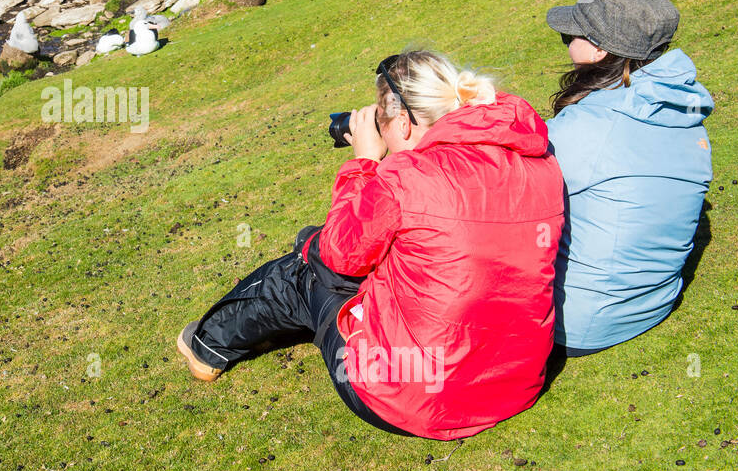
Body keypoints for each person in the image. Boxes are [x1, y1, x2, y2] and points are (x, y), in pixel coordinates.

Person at [176, 50, 565, 440]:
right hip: (515, 383)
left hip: (412, 398)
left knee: (306, 268)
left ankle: (207, 346)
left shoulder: (407, 176)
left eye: (382, 122)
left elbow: (339, 254)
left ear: (404, 122)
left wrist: (363, 161)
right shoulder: (536, 160)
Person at [544, 0, 713, 355]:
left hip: (580, 324)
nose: (565, 40)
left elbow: (504, 197)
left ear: (599, 49)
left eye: (570, 34)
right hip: (654, 303)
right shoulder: (683, 113)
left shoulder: (587, 127)